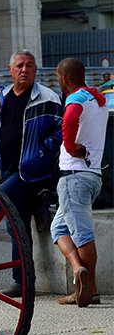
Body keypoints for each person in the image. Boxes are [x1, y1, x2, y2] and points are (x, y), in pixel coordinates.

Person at [0, 50, 63, 297]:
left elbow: (59, 132)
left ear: (35, 70)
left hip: (32, 172)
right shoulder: (4, 95)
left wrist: (40, 154)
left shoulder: (47, 97)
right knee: (16, 225)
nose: (25, 70)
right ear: (10, 70)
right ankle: (22, 282)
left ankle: (38, 198)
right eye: (20, 65)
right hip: (9, 168)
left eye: (30, 66)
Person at [50, 58, 107, 307]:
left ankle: (90, 289)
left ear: (64, 78)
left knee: (82, 233)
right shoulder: (97, 100)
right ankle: (78, 271)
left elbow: (69, 119)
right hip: (92, 175)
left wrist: (71, 146)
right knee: (59, 229)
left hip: (74, 176)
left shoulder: (75, 100)